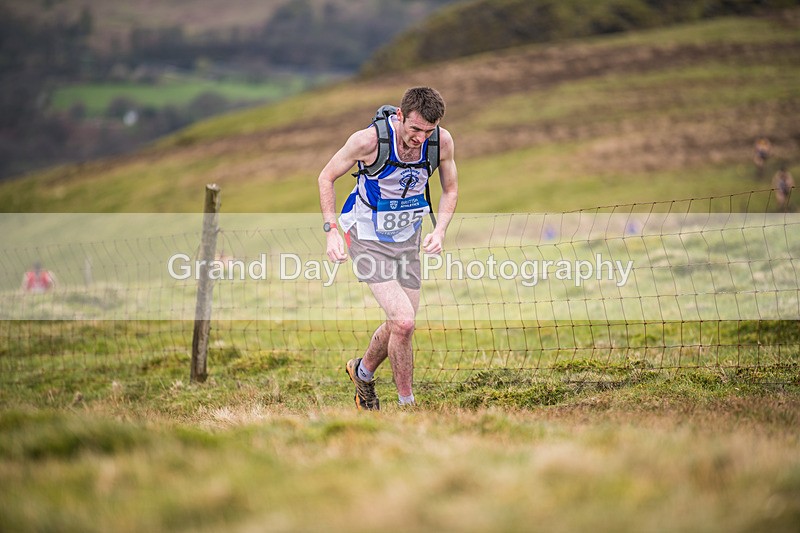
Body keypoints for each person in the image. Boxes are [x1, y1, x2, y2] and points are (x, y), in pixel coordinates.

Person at [318, 87, 458, 410]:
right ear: (399, 116)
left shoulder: (442, 143)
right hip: (365, 235)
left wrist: (440, 230)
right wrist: (331, 232)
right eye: (414, 129)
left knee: (401, 325)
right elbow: (326, 177)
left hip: (407, 239)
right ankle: (408, 406)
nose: (421, 138)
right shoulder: (369, 141)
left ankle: (362, 372)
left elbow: (450, 189)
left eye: (428, 131)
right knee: (404, 321)